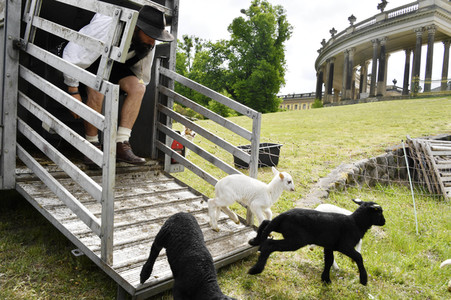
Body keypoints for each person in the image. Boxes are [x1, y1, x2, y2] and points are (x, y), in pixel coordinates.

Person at [62, 6, 174, 165]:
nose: (153, 41)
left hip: (113, 64)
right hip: (90, 59)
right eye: (150, 35)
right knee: (97, 87)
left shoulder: (147, 43)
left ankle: (121, 144)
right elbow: (73, 53)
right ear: (137, 28)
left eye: (156, 37)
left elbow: (143, 72)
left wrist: (132, 91)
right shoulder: (107, 26)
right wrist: (73, 90)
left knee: (139, 88)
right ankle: (92, 145)